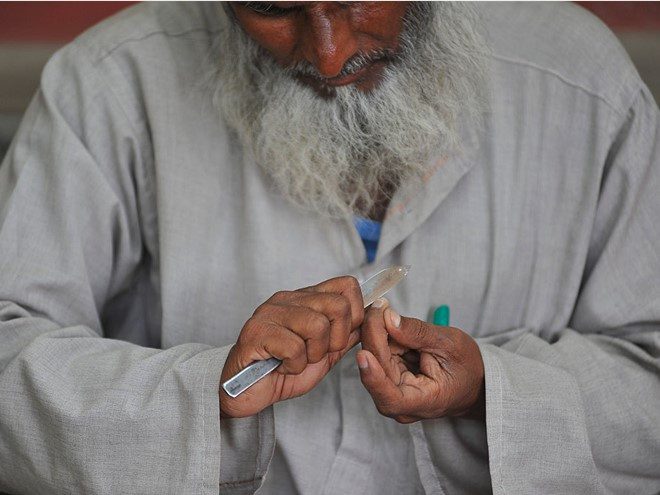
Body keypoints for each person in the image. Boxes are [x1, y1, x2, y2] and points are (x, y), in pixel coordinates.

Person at [0, 2, 658, 494]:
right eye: (271, 7)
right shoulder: (112, 85)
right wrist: (207, 392)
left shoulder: (578, 81)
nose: (328, 50)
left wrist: (490, 390)